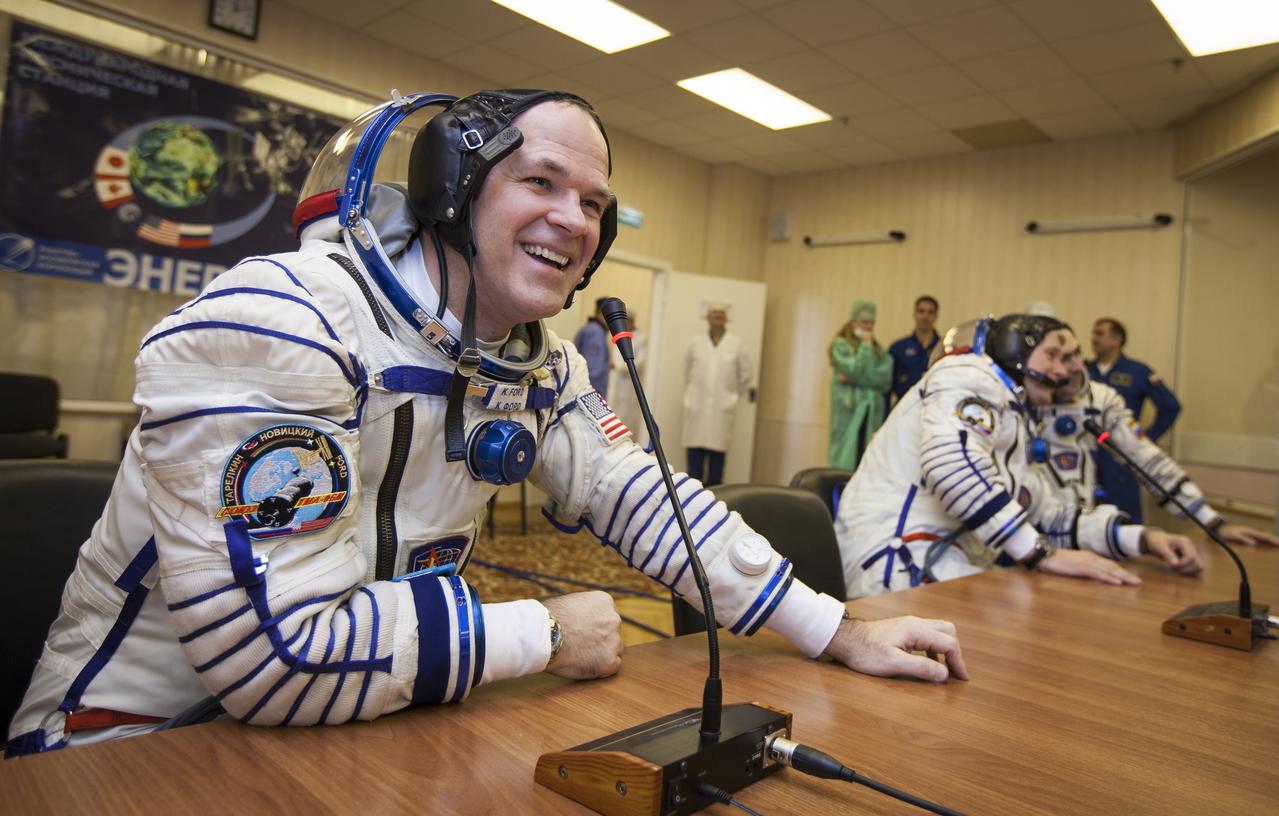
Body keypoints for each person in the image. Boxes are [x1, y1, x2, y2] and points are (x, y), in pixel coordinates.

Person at [8, 90, 967, 757]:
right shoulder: (276, 325)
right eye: (542, 183)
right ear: (451, 190)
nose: (576, 219)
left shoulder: (527, 359)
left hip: (367, 721)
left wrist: (833, 628)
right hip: (133, 750)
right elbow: (274, 659)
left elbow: (646, 500)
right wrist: (541, 634)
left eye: (593, 203)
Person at [835, 314, 1201, 599]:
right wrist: (1043, 555)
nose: (1064, 371)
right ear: (1014, 349)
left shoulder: (1012, 418)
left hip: (943, 569)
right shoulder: (965, 373)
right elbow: (952, 465)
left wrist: (1140, 539)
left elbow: (1046, 513)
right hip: (895, 566)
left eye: (1067, 360)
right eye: (1052, 357)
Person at [1039, 360, 1279, 547]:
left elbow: (1146, 457)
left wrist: (1211, 522)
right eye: (1054, 356)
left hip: (1079, 543)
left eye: (1074, 353)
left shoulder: (1098, 399)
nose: (1072, 366)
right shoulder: (1012, 405)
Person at [1087, 318, 1181, 522]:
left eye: (1100, 334)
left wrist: (1147, 438)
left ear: (1116, 340)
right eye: (1094, 333)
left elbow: (1170, 406)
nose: (1094, 339)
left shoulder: (1137, 371)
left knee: (1125, 519)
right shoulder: (1084, 371)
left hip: (1120, 456)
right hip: (1088, 452)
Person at [683, 303, 751, 487]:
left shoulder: (737, 344)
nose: (717, 316)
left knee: (716, 473)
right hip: (697, 408)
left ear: (726, 318)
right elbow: (688, 371)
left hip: (722, 410)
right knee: (694, 471)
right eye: (714, 313)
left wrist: (732, 397)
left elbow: (745, 375)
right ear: (707, 317)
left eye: (721, 313)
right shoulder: (695, 343)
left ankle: (713, 507)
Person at [828, 300, 892, 470]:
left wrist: (854, 379)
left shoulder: (877, 349)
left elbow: (885, 380)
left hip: (871, 413)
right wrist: (864, 346)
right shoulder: (841, 345)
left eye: (872, 322)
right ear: (853, 321)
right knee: (844, 459)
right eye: (865, 322)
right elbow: (855, 369)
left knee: (865, 461)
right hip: (848, 413)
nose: (869, 326)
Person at [887, 295, 939, 405]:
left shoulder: (943, 348)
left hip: (933, 408)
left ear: (936, 316)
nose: (925, 316)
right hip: (903, 407)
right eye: (921, 311)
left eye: (930, 312)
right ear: (914, 315)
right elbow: (887, 386)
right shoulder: (898, 348)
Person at [607, 311, 646, 448]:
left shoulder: (640, 339)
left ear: (632, 322)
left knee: (626, 423)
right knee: (612, 422)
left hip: (628, 388)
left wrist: (616, 365)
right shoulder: (617, 336)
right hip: (615, 385)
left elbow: (638, 363)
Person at [573, 297, 611, 397]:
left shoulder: (591, 329)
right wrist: (596, 395)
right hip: (591, 392)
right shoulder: (596, 332)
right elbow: (593, 369)